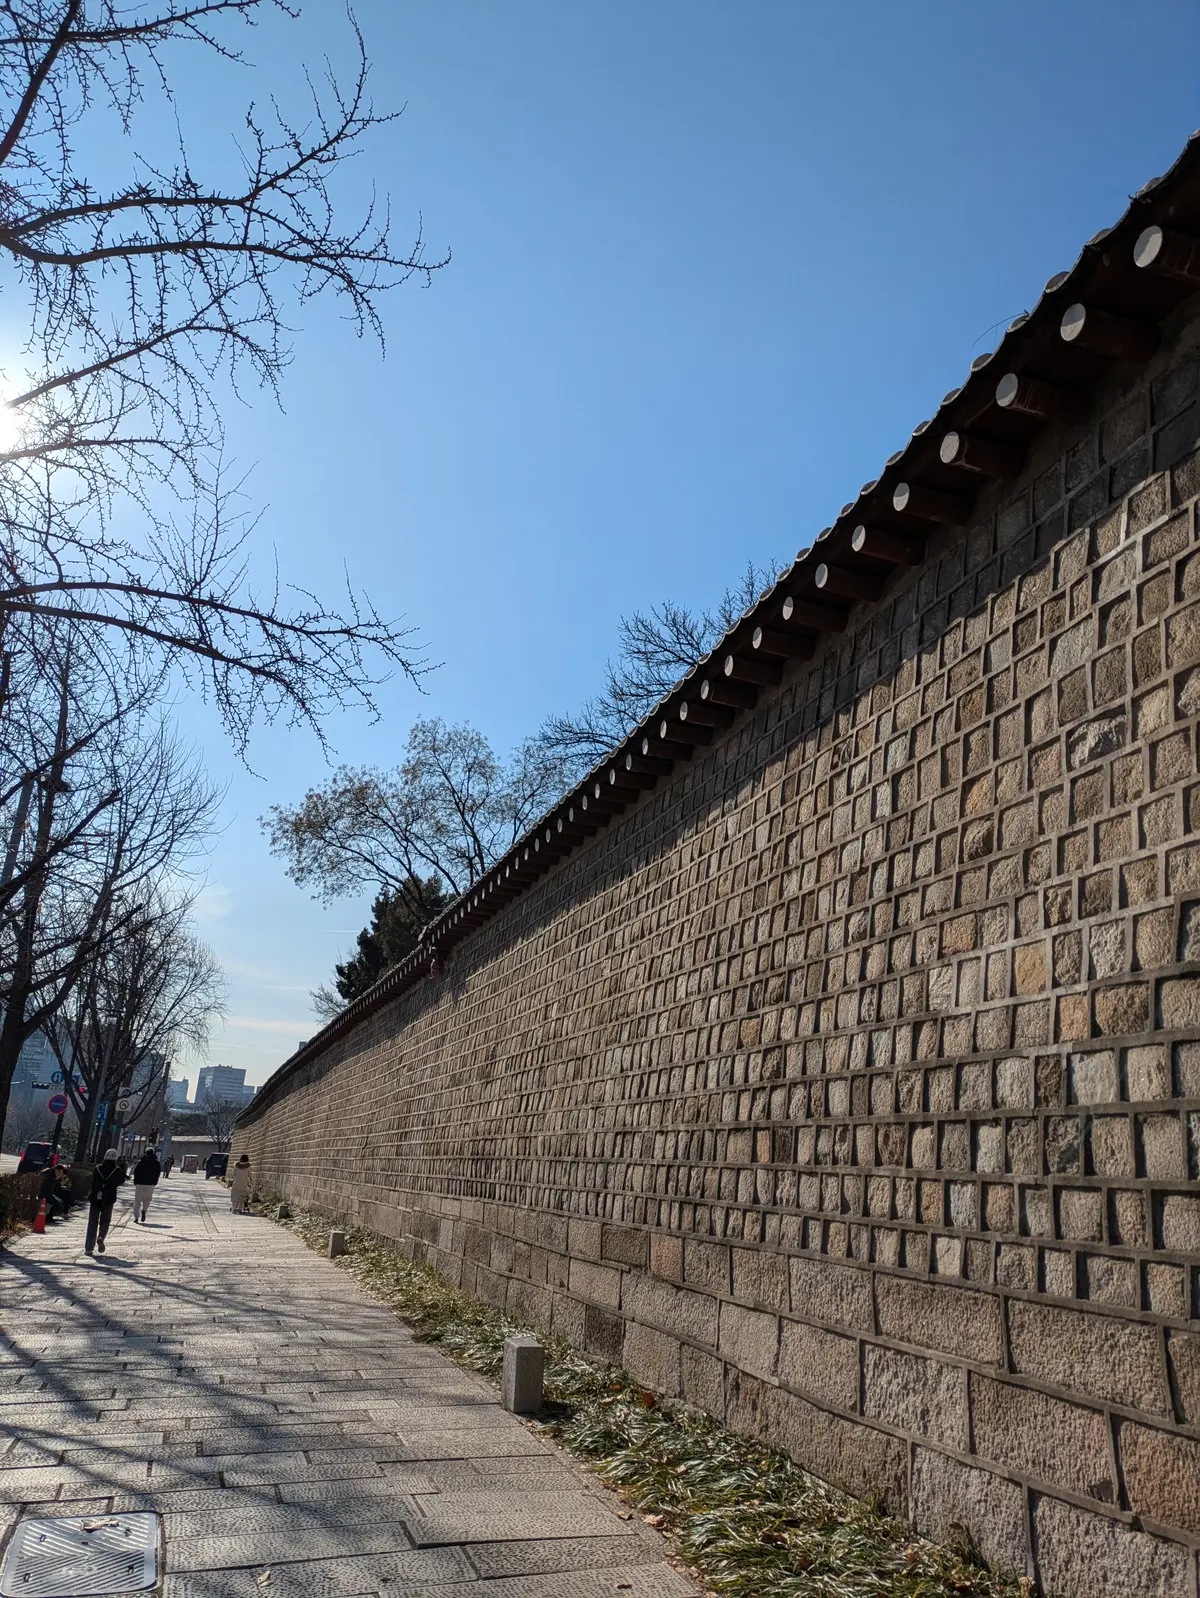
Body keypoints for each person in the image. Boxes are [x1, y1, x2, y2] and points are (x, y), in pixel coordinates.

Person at [85, 1150, 126, 1255]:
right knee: (105, 1221)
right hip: (109, 1198)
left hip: (95, 1197)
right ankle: (101, 1237)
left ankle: (89, 1247)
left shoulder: (97, 1169)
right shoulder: (117, 1170)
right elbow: (122, 1180)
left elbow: (93, 1181)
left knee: (92, 1222)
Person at [131, 1146, 162, 1222]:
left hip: (140, 1183)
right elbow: (158, 1173)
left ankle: (136, 1217)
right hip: (150, 1184)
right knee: (147, 1199)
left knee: (137, 1200)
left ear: (145, 1153)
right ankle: (144, 1210)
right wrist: (155, 1182)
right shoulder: (156, 1163)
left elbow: (136, 1172)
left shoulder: (141, 1162)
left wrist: (135, 1181)